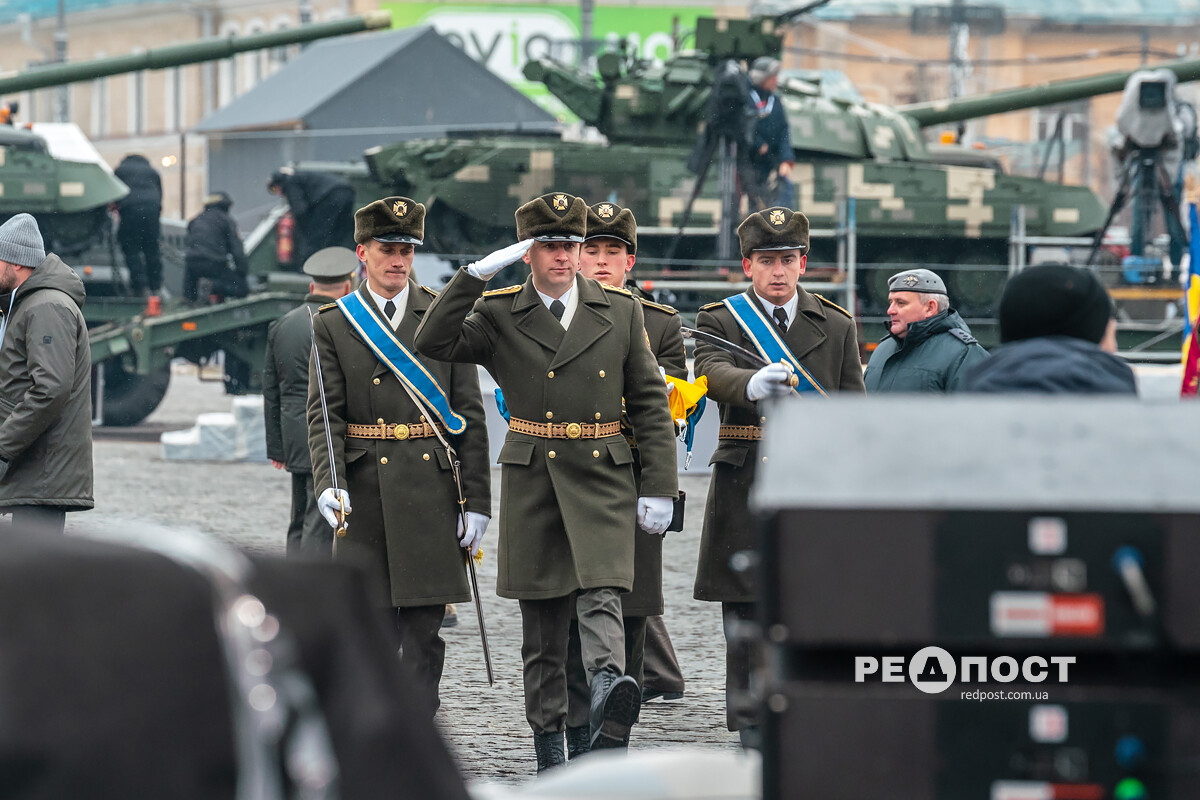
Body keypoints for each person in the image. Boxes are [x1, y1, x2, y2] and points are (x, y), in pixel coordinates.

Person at [414, 192, 678, 771]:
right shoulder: (500, 312)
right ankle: (551, 751)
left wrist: (660, 484)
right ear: (527, 252)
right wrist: (473, 278)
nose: (564, 256)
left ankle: (608, 687)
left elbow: (650, 403)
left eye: (571, 245)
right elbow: (432, 342)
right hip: (535, 476)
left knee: (603, 591)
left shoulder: (621, 310)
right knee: (543, 631)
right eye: (551, 245)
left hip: (603, 471)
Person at [307, 196, 491, 717]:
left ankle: (416, 727)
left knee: (425, 632)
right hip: (366, 493)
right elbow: (325, 414)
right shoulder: (334, 323)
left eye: (406, 251)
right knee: (369, 627)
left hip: (431, 491)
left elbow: (468, 414)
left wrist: (477, 502)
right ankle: (372, 730)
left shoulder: (443, 313)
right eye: (387, 249)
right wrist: (329, 481)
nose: (398, 261)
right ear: (362, 253)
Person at [693, 206, 864, 749]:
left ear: (803, 264)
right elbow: (709, 371)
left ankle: (805, 714)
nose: (778, 271)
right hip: (745, 479)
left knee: (809, 603)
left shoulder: (836, 324)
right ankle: (750, 726)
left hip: (810, 481)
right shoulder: (723, 318)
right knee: (744, 611)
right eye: (766, 260)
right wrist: (750, 383)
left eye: (788, 259)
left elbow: (851, 412)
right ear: (747, 265)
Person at [563, 201, 687, 759]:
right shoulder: (552, 314)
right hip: (566, 473)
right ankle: (573, 729)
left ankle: (616, 731)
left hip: (632, 476)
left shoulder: (658, 322)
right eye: (590, 249)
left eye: (613, 252)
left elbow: (675, 407)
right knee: (566, 608)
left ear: (630, 260)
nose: (601, 261)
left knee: (634, 611)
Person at [0, 214, 93, 534]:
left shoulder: (46, 306)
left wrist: (2, 447)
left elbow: (50, 388)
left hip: (41, 468)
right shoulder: (26, 304)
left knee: (33, 563)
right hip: (30, 462)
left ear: (16, 262)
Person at [263, 247, 357, 557]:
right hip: (330, 432)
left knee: (300, 515)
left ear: (311, 285)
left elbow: (271, 391)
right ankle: (309, 581)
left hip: (294, 432)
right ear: (348, 285)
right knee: (321, 521)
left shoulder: (282, 324)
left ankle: (290, 575)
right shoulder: (346, 323)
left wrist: (276, 447)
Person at [964, 263, 1136, 394]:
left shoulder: (971, 393)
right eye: (1111, 333)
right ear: (1097, 337)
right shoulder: (1119, 401)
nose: (1114, 347)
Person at [863, 268, 989, 392]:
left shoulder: (964, 355)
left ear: (930, 308)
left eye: (900, 303)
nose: (890, 310)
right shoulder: (882, 349)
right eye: (891, 302)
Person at [269, 167, 357, 269]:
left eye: (275, 189)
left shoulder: (291, 182)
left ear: (279, 183)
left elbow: (300, 210)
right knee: (338, 233)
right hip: (347, 192)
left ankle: (308, 267)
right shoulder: (303, 177)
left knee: (316, 237)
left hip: (330, 196)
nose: (278, 193)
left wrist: (307, 231)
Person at [743, 57, 795, 211]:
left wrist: (786, 159)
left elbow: (783, 130)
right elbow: (743, 125)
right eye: (772, 77)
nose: (775, 80)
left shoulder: (775, 101)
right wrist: (758, 143)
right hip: (748, 161)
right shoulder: (747, 98)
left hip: (769, 162)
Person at [183, 192, 249, 303]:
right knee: (241, 289)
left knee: (190, 298)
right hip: (214, 263)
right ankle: (212, 286)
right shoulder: (226, 221)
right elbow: (237, 251)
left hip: (191, 264)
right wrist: (242, 272)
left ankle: (189, 298)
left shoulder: (195, 220)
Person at [114, 153, 164, 296]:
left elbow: (114, 192)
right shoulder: (153, 171)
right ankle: (155, 286)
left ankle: (139, 285)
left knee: (130, 247)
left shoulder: (120, 171)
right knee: (152, 248)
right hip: (152, 211)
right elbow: (160, 194)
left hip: (130, 210)